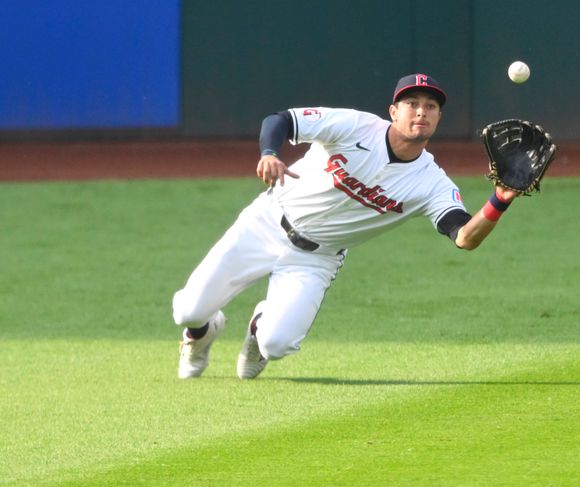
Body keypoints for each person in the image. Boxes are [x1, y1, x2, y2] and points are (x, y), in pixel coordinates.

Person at [172, 73, 521, 380]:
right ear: (393, 111)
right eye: (411, 102)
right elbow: (281, 120)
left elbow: (464, 237)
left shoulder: (432, 183)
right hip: (266, 223)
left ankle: (259, 329)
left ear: (439, 117)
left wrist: (500, 200)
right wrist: (268, 152)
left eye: (431, 106)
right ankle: (201, 334)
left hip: (315, 259)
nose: (421, 111)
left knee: (277, 344)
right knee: (189, 310)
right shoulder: (354, 125)